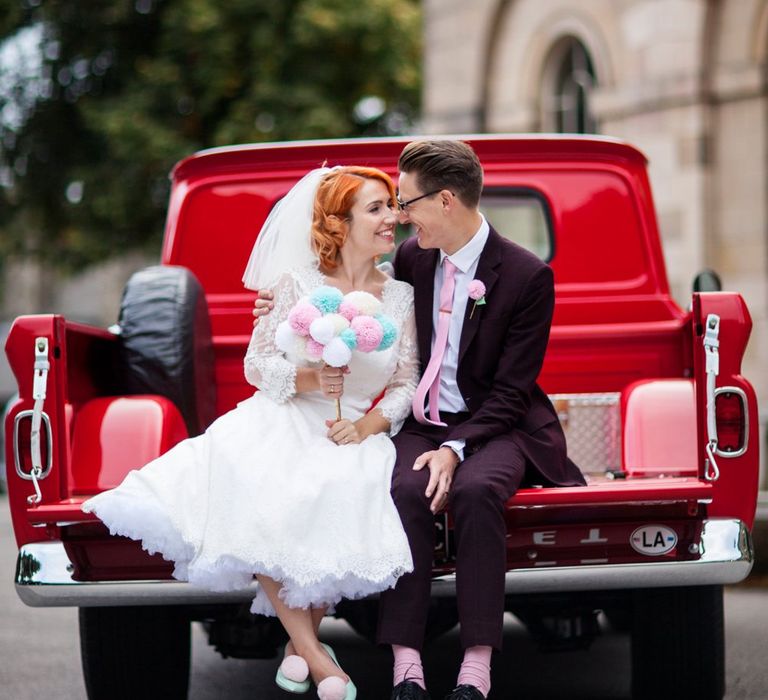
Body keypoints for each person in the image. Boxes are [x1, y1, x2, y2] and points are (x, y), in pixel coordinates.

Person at [255, 141, 586, 700]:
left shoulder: (529, 276)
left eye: (406, 203)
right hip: (421, 425)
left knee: (477, 493)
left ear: (447, 200)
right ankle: (407, 663)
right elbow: (342, 278)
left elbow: (511, 391)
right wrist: (278, 304)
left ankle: (476, 665)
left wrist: (455, 449)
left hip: (496, 426)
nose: (401, 217)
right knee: (404, 490)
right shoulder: (412, 260)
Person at [83, 166, 420, 700]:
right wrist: (310, 376)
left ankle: (298, 647)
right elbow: (257, 364)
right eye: (377, 208)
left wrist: (367, 425)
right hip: (281, 414)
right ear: (340, 223)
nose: (392, 218)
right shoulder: (296, 285)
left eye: (392, 206)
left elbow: (406, 381)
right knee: (265, 489)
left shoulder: (399, 296)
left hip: (351, 427)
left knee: (339, 491)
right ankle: (316, 655)